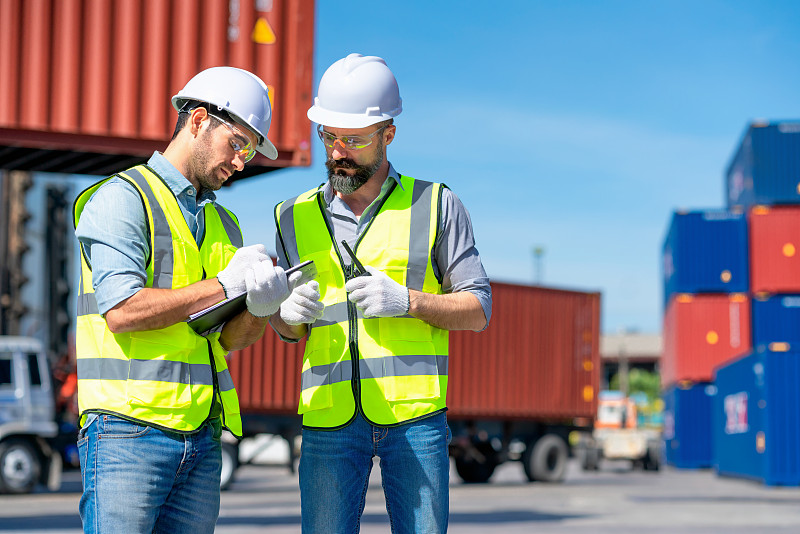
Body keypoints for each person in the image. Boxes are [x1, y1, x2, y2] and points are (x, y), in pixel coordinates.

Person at [269, 53, 492, 534]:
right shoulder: (292, 215)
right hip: (328, 417)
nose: (336, 152)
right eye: (328, 136)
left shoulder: (435, 204)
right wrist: (283, 314)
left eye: (353, 139)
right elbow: (289, 331)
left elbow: (477, 309)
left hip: (413, 420)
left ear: (388, 134)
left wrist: (409, 301)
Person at [73, 66, 293, 533]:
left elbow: (227, 340)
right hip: (126, 432)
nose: (241, 162)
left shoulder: (224, 224)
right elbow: (121, 311)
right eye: (238, 143)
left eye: (250, 152)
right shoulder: (122, 199)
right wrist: (225, 284)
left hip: (202, 434)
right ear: (197, 121)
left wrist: (260, 306)